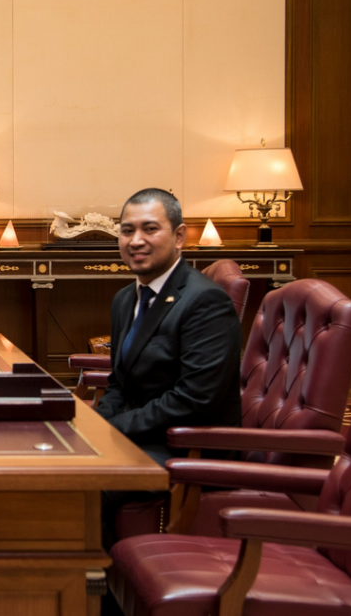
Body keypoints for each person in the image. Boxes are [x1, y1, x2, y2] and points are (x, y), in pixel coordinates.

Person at [95, 188, 242, 466]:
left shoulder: (206, 301)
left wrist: (110, 430)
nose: (136, 241)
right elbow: (118, 385)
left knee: (66, 484)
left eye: (150, 229)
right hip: (135, 436)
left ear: (179, 236)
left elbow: (193, 400)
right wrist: (93, 426)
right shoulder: (124, 299)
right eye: (127, 231)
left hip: (186, 449)